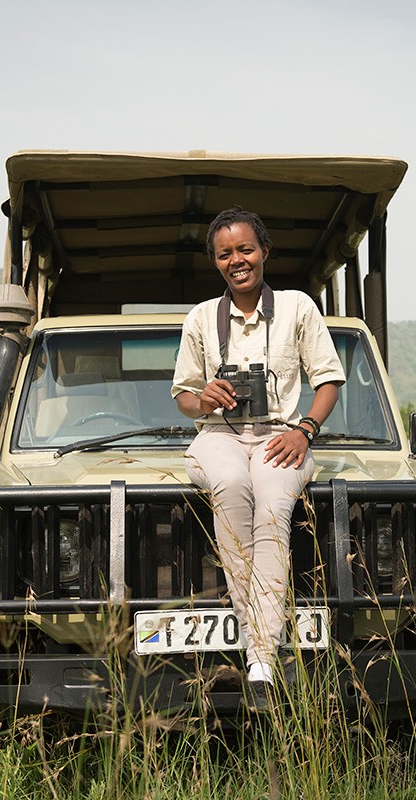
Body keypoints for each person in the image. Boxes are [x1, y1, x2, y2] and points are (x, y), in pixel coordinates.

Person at [171, 206, 345, 711]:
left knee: (272, 509)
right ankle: (262, 650)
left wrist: (305, 431)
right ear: (216, 263)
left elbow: (328, 379)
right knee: (228, 485)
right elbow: (182, 396)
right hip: (219, 435)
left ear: (264, 251)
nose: (236, 260)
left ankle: (260, 656)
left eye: (245, 249)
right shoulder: (202, 317)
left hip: (282, 436)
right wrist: (205, 396)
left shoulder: (297, 307)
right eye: (224, 254)